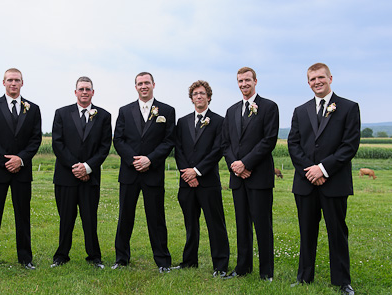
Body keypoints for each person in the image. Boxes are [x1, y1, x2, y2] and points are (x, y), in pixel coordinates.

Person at [288, 62, 360, 295]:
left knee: (337, 232)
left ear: (330, 78)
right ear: (308, 82)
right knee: (306, 231)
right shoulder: (300, 110)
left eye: (321, 77)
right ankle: (304, 277)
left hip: (334, 182)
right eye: (312, 79)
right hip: (305, 182)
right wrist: (310, 170)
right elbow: (293, 144)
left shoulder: (349, 108)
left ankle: (342, 281)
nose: (316, 82)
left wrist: (323, 169)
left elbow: (349, 146)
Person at [0, 68, 42, 271]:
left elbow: (35, 139)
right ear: (3, 82)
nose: (13, 83)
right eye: (10, 80)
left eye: (17, 80)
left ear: (22, 83)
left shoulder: (33, 109)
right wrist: (5, 160)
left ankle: (25, 258)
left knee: (23, 215)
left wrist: (20, 159)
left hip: (22, 171)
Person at [112, 72, 175, 272]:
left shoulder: (167, 110)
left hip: (153, 172)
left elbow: (169, 141)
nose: (143, 86)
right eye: (140, 83)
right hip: (130, 173)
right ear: (136, 87)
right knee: (125, 217)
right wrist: (134, 160)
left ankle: (163, 262)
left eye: (147, 83)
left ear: (154, 84)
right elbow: (118, 140)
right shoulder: (124, 110)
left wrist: (150, 159)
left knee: (156, 218)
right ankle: (121, 260)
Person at [222, 67, 279, 281]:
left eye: (247, 80)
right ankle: (242, 268)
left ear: (255, 81)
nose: (243, 84)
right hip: (237, 178)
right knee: (241, 224)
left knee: (263, 224)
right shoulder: (232, 110)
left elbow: (269, 140)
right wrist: (235, 166)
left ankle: (266, 272)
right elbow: (225, 143)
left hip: (259, 176)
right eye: (240, 81)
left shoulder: (269, 107)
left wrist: (246, 163)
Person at [50, 77, 112, 269]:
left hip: (90, 177)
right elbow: (57, 144)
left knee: (89, 218)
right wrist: (76, 167)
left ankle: (94, 257)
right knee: (66, 218)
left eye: (88, 89)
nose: (84, 92)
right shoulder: (61, 113)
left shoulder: (103, 115)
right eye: (81, 89)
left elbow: (104, 146)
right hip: (66, 176)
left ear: (93, 92)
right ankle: (61, 256)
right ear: (75, 92)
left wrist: (87, 167)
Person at [174, 80, 230, 276]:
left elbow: (218, 150)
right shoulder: (182, 122)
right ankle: (189, 261)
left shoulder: (219, 121)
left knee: (215, 224)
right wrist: (187, 173)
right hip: (186, 183)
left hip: (208, 182)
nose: (199, 96)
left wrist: (197, 171)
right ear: (191, 98)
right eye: (195, 93)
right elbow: (178, 150)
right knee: (190, 223)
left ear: (209, 97)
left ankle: (220, 265)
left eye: (202, 93)